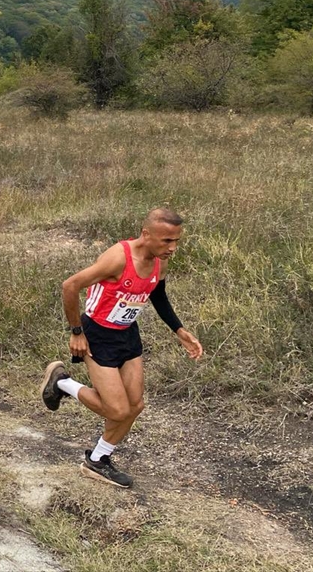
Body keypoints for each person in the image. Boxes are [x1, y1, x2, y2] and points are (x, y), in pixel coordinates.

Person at [40, 208, 204, 489]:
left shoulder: (160, 262)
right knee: (117, 410)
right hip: (97, 334)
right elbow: (70, 286)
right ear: (146, 234)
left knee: (135, 406)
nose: (173, 248)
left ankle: (98, 459)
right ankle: (63, 383)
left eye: (176, 241)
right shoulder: (118, 258)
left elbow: (158, 295)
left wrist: (179, 330)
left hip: (127, 334)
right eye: (167, 241)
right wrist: (76, 332)